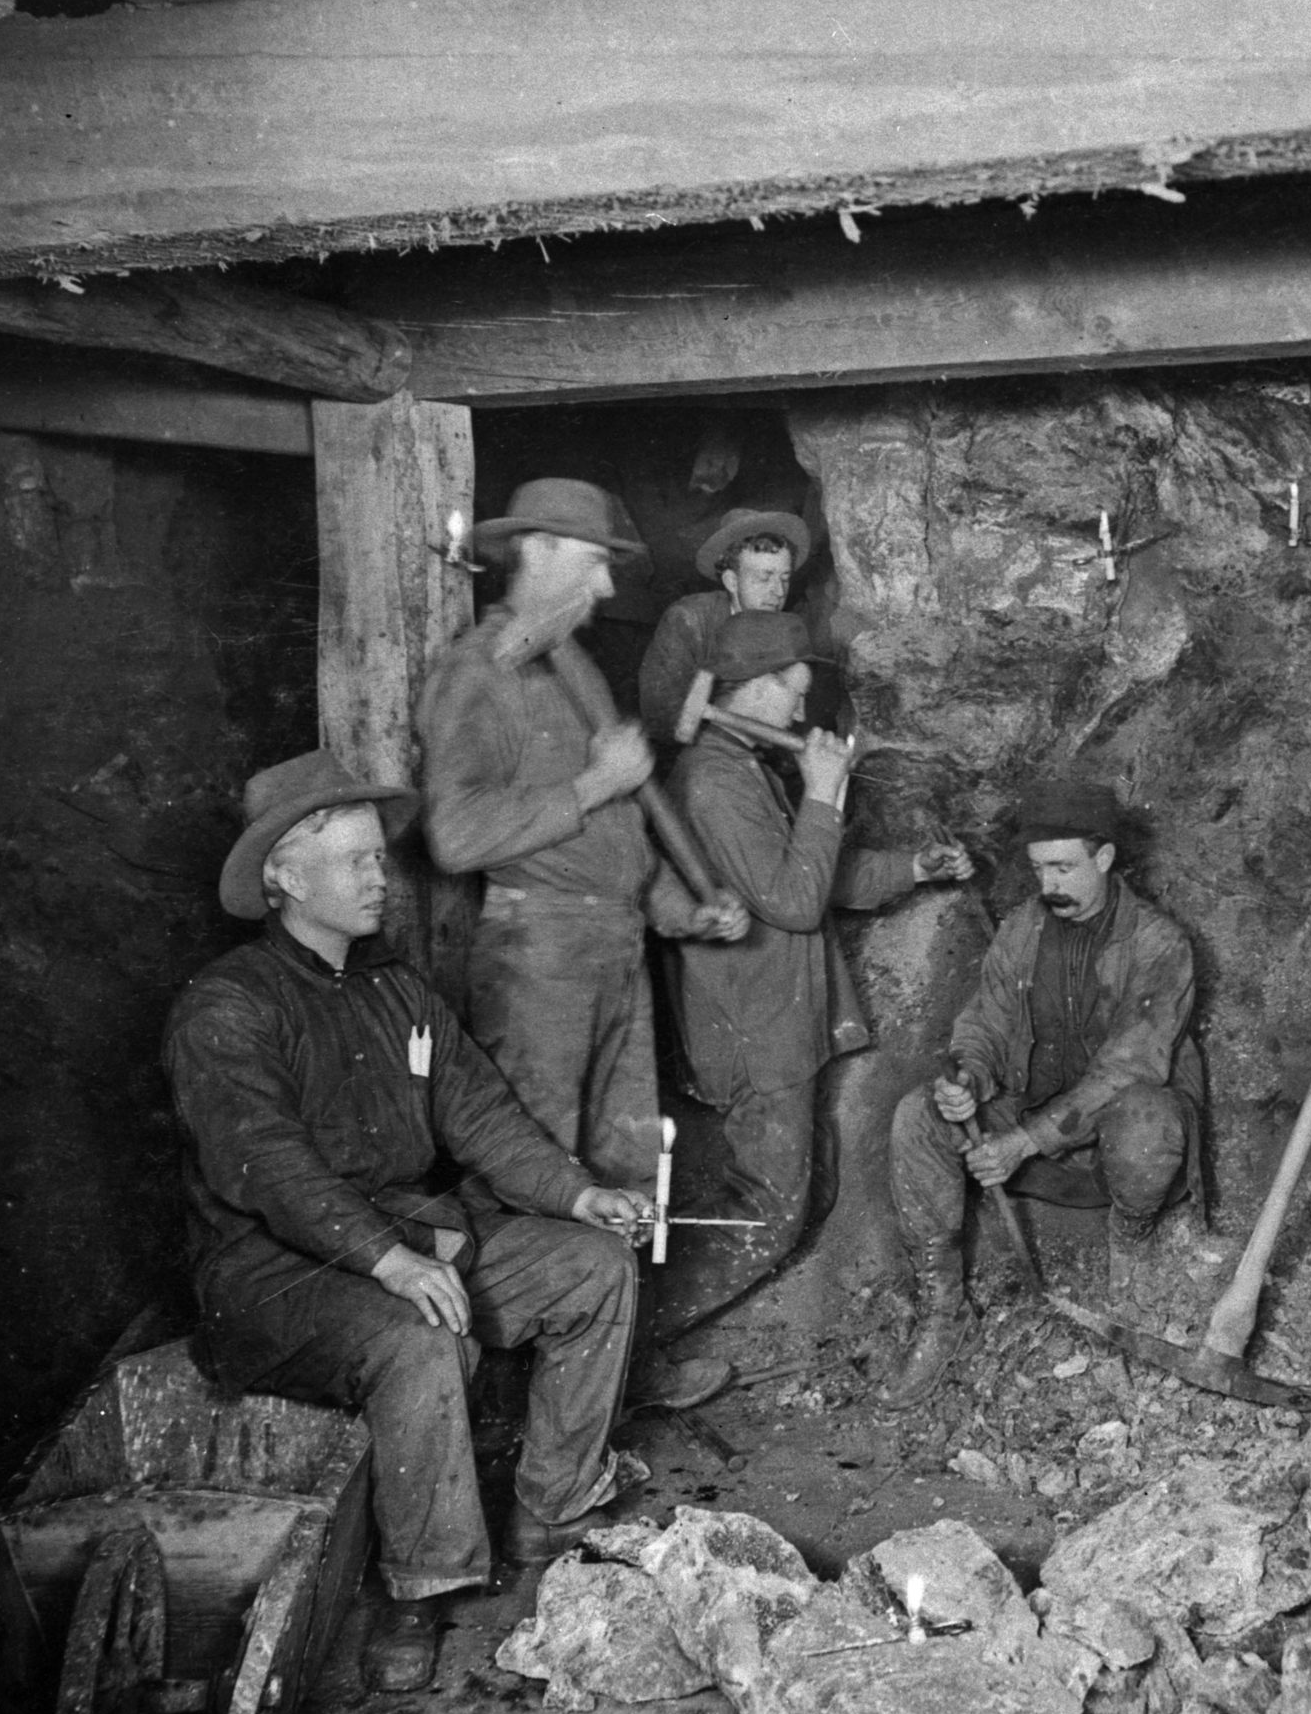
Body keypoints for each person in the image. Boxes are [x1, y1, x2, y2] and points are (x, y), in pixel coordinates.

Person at [166, 751, 654, 1695]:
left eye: (378, 859)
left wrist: (577, 1192)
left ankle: (553, 1506)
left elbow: (482, 1115)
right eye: (353, 861)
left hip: (412, 1237)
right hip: (273, 1276)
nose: (377, 876)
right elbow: (268, 1165)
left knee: (592, 1265)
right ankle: (419, 1587)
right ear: (282, 878)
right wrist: (387, 1259)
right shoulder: (227, 1006)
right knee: (421, 1340)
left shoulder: (400, 992)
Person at [417, 476, 745, 1408]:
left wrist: (685, 912)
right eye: (597, 563)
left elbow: (617, 853)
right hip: (537, 963)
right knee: (535, 1173)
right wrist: (596, 786)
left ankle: (619, 1370)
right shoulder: (478, 673)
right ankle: (501, 1401)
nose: (606, 590)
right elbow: (456, 834)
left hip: (613, 950)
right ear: (539, 552)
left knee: (627, 1166)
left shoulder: (577, 666)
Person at [662, 611, 973, 1371]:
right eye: (791, 693)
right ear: (747, 689)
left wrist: (914, 869)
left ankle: (641, 1343)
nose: (801, 712)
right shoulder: (712, 784)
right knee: (769, 1214)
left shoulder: (747, 770)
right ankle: (631, 1351)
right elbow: (795, 901)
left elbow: (814, 875)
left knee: (804, 1188)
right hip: (753, 1029)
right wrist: (825, 792)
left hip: (779, 1019)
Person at [880, 780, 1203, 1411]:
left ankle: (1132, 1248)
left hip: (1104, 1132)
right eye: (1037, 868)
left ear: (1104, 859)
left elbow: (1130, 1066)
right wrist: (968, 1079)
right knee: (916, 1114)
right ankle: (943, 1307)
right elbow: (988, 1021)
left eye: (1063, 866)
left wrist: (1024, 1143)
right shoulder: (1025, 928)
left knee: (1146, 1117)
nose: (1048, 882)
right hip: (1024, 1112)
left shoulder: (1160, 943)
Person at [638, 508, 812, 743]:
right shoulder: (688, 621)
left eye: (784, 578)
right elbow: (660, 718)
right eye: (764, 578)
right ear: (731, 581)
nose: (779, 592)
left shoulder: (784, 631)